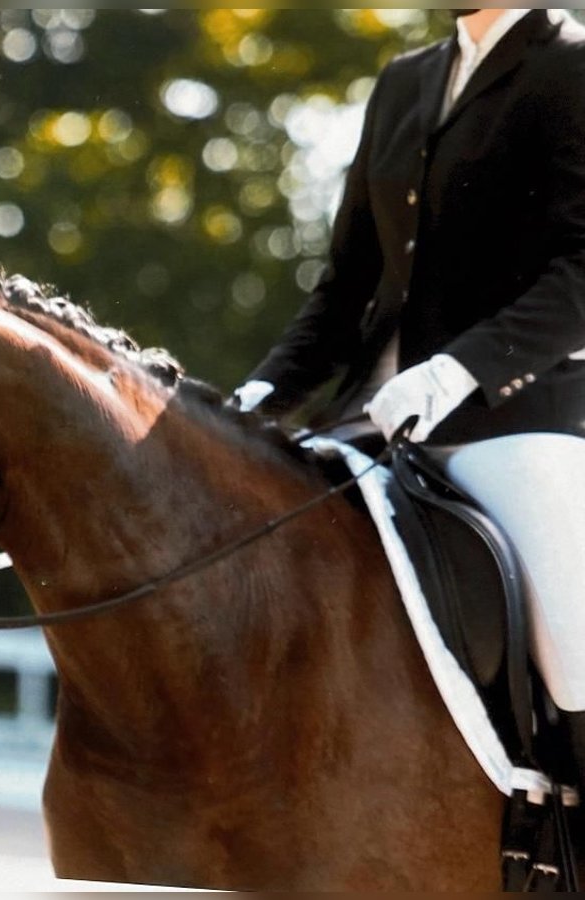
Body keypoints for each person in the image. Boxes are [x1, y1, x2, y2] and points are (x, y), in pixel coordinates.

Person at [233, 8, 585, 788]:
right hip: (373, 418)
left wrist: (460, 369)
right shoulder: (404, 81)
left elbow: (581, 272)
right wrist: (259, 395)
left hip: (513, 420)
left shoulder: (571, 68)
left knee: (575, 648)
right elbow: (345, 287)